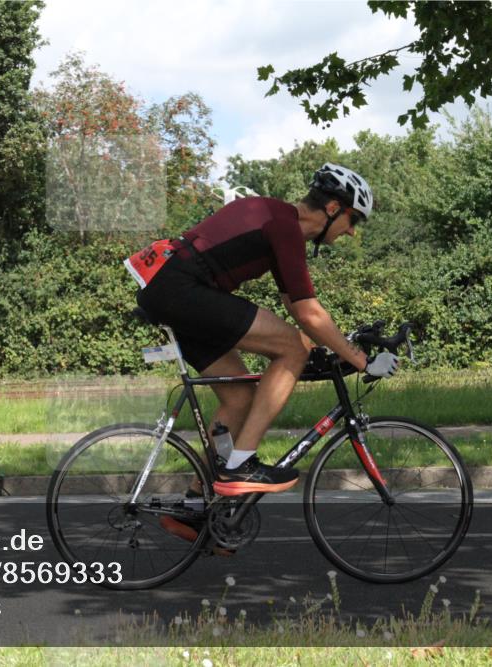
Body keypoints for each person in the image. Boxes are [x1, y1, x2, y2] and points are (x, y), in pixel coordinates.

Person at [126, 164, 400, 500]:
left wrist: (329, 350)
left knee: (240, 396)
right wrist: (363, 361)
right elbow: (307, 313)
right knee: (293, 348)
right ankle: (241, 464)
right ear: (333, 208)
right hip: (181, 288)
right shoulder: (283, 225)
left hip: (170, 288)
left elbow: (294, 304)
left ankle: (197, 503)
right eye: (353, 220)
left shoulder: (279, 221)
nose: (352, 232)